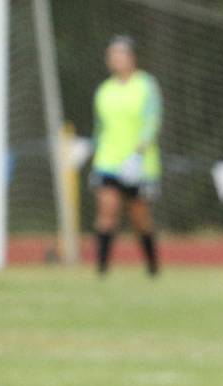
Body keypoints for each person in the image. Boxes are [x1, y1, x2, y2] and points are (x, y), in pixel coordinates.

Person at [90, 35, 162, 276]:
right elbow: (99, 129)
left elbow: (153, 120)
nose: (117, 60)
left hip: (138, 164)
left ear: (132, 58)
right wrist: (94, 158)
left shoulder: (146, 85)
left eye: (121, 54)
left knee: (140, 218)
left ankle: (152, 267)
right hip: (107, 161)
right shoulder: (104, 90)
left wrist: (138, 153)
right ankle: (101, 270)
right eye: (113, 55)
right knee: (106, 213)